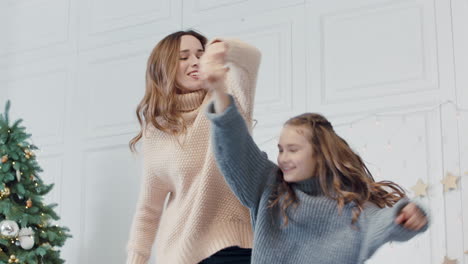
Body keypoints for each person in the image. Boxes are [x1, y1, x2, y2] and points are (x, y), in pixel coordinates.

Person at [203, 66, 429, 263]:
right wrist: (219, 91)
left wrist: (410, 215)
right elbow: (235, 150)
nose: (283, 158)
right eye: (281, 149)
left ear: (320, 155)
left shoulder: (352, 209)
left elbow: (385, 222)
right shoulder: (269, 188)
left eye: (293, 150)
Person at [126, 30, 261, 264]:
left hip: (238, 248)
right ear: (165, 67)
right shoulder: (158, 129)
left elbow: (252, 58)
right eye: (183, 56)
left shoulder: (227, 97)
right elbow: (148, 209)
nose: (195, 61)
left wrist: (221, 48)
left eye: (200, 53)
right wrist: (136, 259)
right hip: (182, 253)